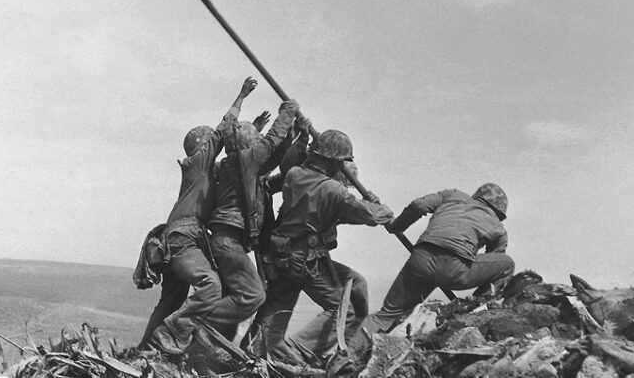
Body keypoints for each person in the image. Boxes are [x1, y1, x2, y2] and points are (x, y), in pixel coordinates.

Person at [251, 130, 393, 364]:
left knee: (278, 309)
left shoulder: (294, 176)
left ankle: (256, 352)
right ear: (334, 161)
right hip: (306, 260)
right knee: (345, 311)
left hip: (281, 255)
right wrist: (381, 207)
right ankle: (299, 351)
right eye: (341, 163)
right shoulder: (334, 190)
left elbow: (324, 209)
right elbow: (371, 215)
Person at [144, 77, 257, 356]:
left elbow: (235, 158)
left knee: (171, 299)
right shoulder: (198, 162)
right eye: (210, 143)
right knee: (211, 284)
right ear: (202, 146)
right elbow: (223, 131)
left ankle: (144, 349)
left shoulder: (201, 171)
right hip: (184, 238)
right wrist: (241, 96)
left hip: (176, 238)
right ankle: (173, 333)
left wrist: (256, 131)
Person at [349, 183, 516, 353]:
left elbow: (419, 206)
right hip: (455, 270)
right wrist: (477, 300)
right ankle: (478, 310)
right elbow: (494, 263)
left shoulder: (452, 195)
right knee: (507, 264)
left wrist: (397, 226)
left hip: (421, 261)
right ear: (499, 211)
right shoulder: (498, 227)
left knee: (386, 315)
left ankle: (346, 354)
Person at [203, 98, 300, 339]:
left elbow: (275, 156)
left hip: (226, 240)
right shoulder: (245, 160)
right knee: (254, 295)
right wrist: (287, 113)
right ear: (249, 144)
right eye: (256, 140)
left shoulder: (236, 167)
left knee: (233, 302)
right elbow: (272, 142)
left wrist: (296, 136)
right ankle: (192, 323)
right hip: (228, 241)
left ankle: (210, 345)